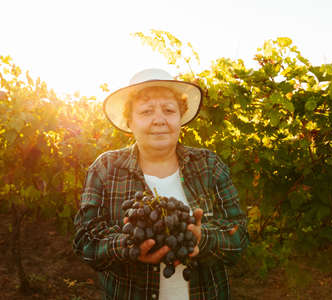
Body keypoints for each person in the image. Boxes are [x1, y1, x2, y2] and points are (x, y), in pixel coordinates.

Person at [73, 68, 248, 300]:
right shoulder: (105, 169)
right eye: (146, 111)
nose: (159, 120)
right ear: (130, 121)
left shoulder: (209, 165)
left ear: (180, 117)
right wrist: (129, 246)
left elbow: (240, 238)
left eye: (169, 110)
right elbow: (86, 242)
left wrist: (203, 237)